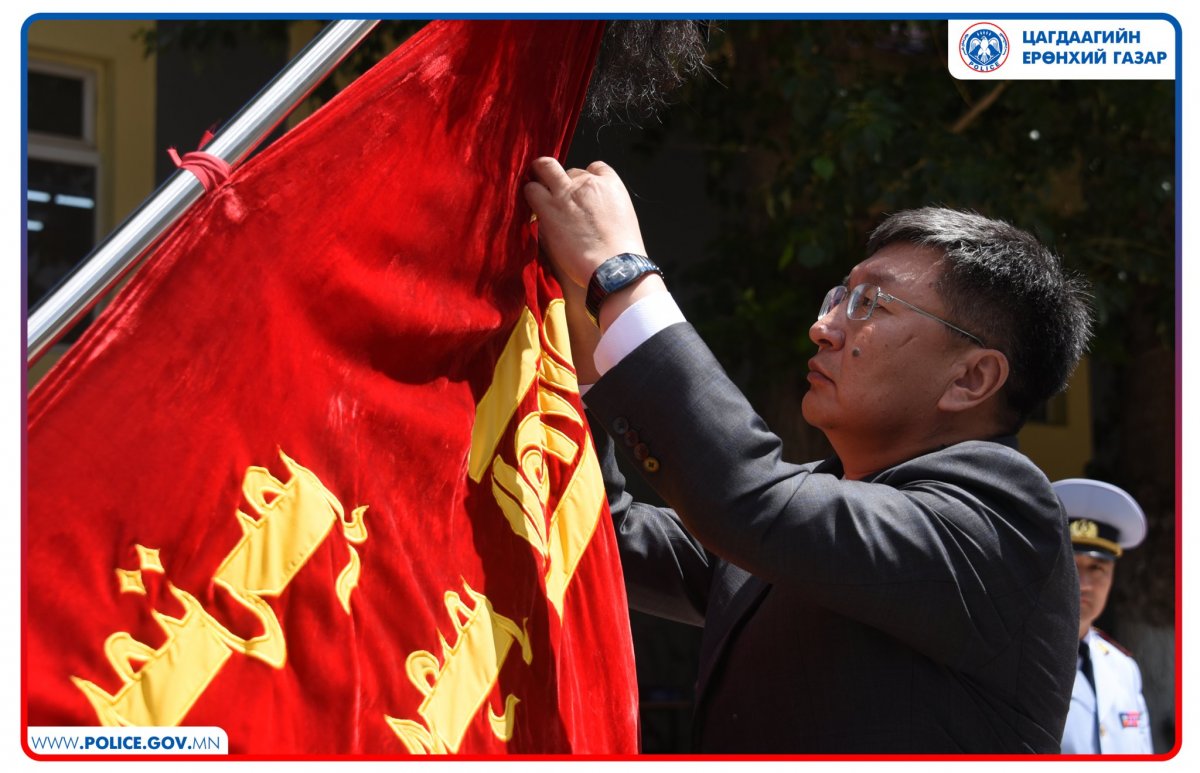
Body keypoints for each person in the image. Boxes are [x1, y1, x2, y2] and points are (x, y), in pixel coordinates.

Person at [523, 157, 1092, 753]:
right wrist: (584, 340)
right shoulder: (810, 515)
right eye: (839, 297)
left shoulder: (1001, 513)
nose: (824, 327)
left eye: (871, 304)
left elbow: (745, 497)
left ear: (971, 379)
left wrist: (622, 275)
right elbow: (601, 535)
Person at [1054, 478, 1154, 754]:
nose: (1084, 583)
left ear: (1112, 577)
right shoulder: (1013, 662)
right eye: (1073, 565)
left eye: (1097, 568)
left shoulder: (1124, 669)